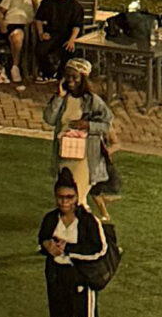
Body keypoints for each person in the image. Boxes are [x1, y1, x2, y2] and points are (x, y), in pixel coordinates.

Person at [36, 167, 111, 317]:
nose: (64, 202)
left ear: (77, 197)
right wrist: (47, 247)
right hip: (57, 278)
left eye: (69, 197)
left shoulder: (88, 221)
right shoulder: (51, 218)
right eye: (60, 197)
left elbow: (99, 250)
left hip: (81, 279)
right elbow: (42, 241)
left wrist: (68, 249)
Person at [44, 60, 119, 219]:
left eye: (75, 78)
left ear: (82, 78)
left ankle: (91, 231)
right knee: (68, 199)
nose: (70, 81)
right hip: (64, 155)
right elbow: (50, 119)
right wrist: (58, 97)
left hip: (85, 157)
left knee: (79, 199)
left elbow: (106, 125)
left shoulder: (93, 101)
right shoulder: (62, 99)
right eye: (67, 77)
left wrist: (88, 125)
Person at [34, 0, 86, 81]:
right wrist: (41, 33)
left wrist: (72, 40)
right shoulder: (48, 1)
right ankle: (48, 73)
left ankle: (61, 75)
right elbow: (38, 19)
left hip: (67, 35)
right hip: (52, 33)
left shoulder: (74, 5)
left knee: (69, 50)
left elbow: (77, 25)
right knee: (40, 50)